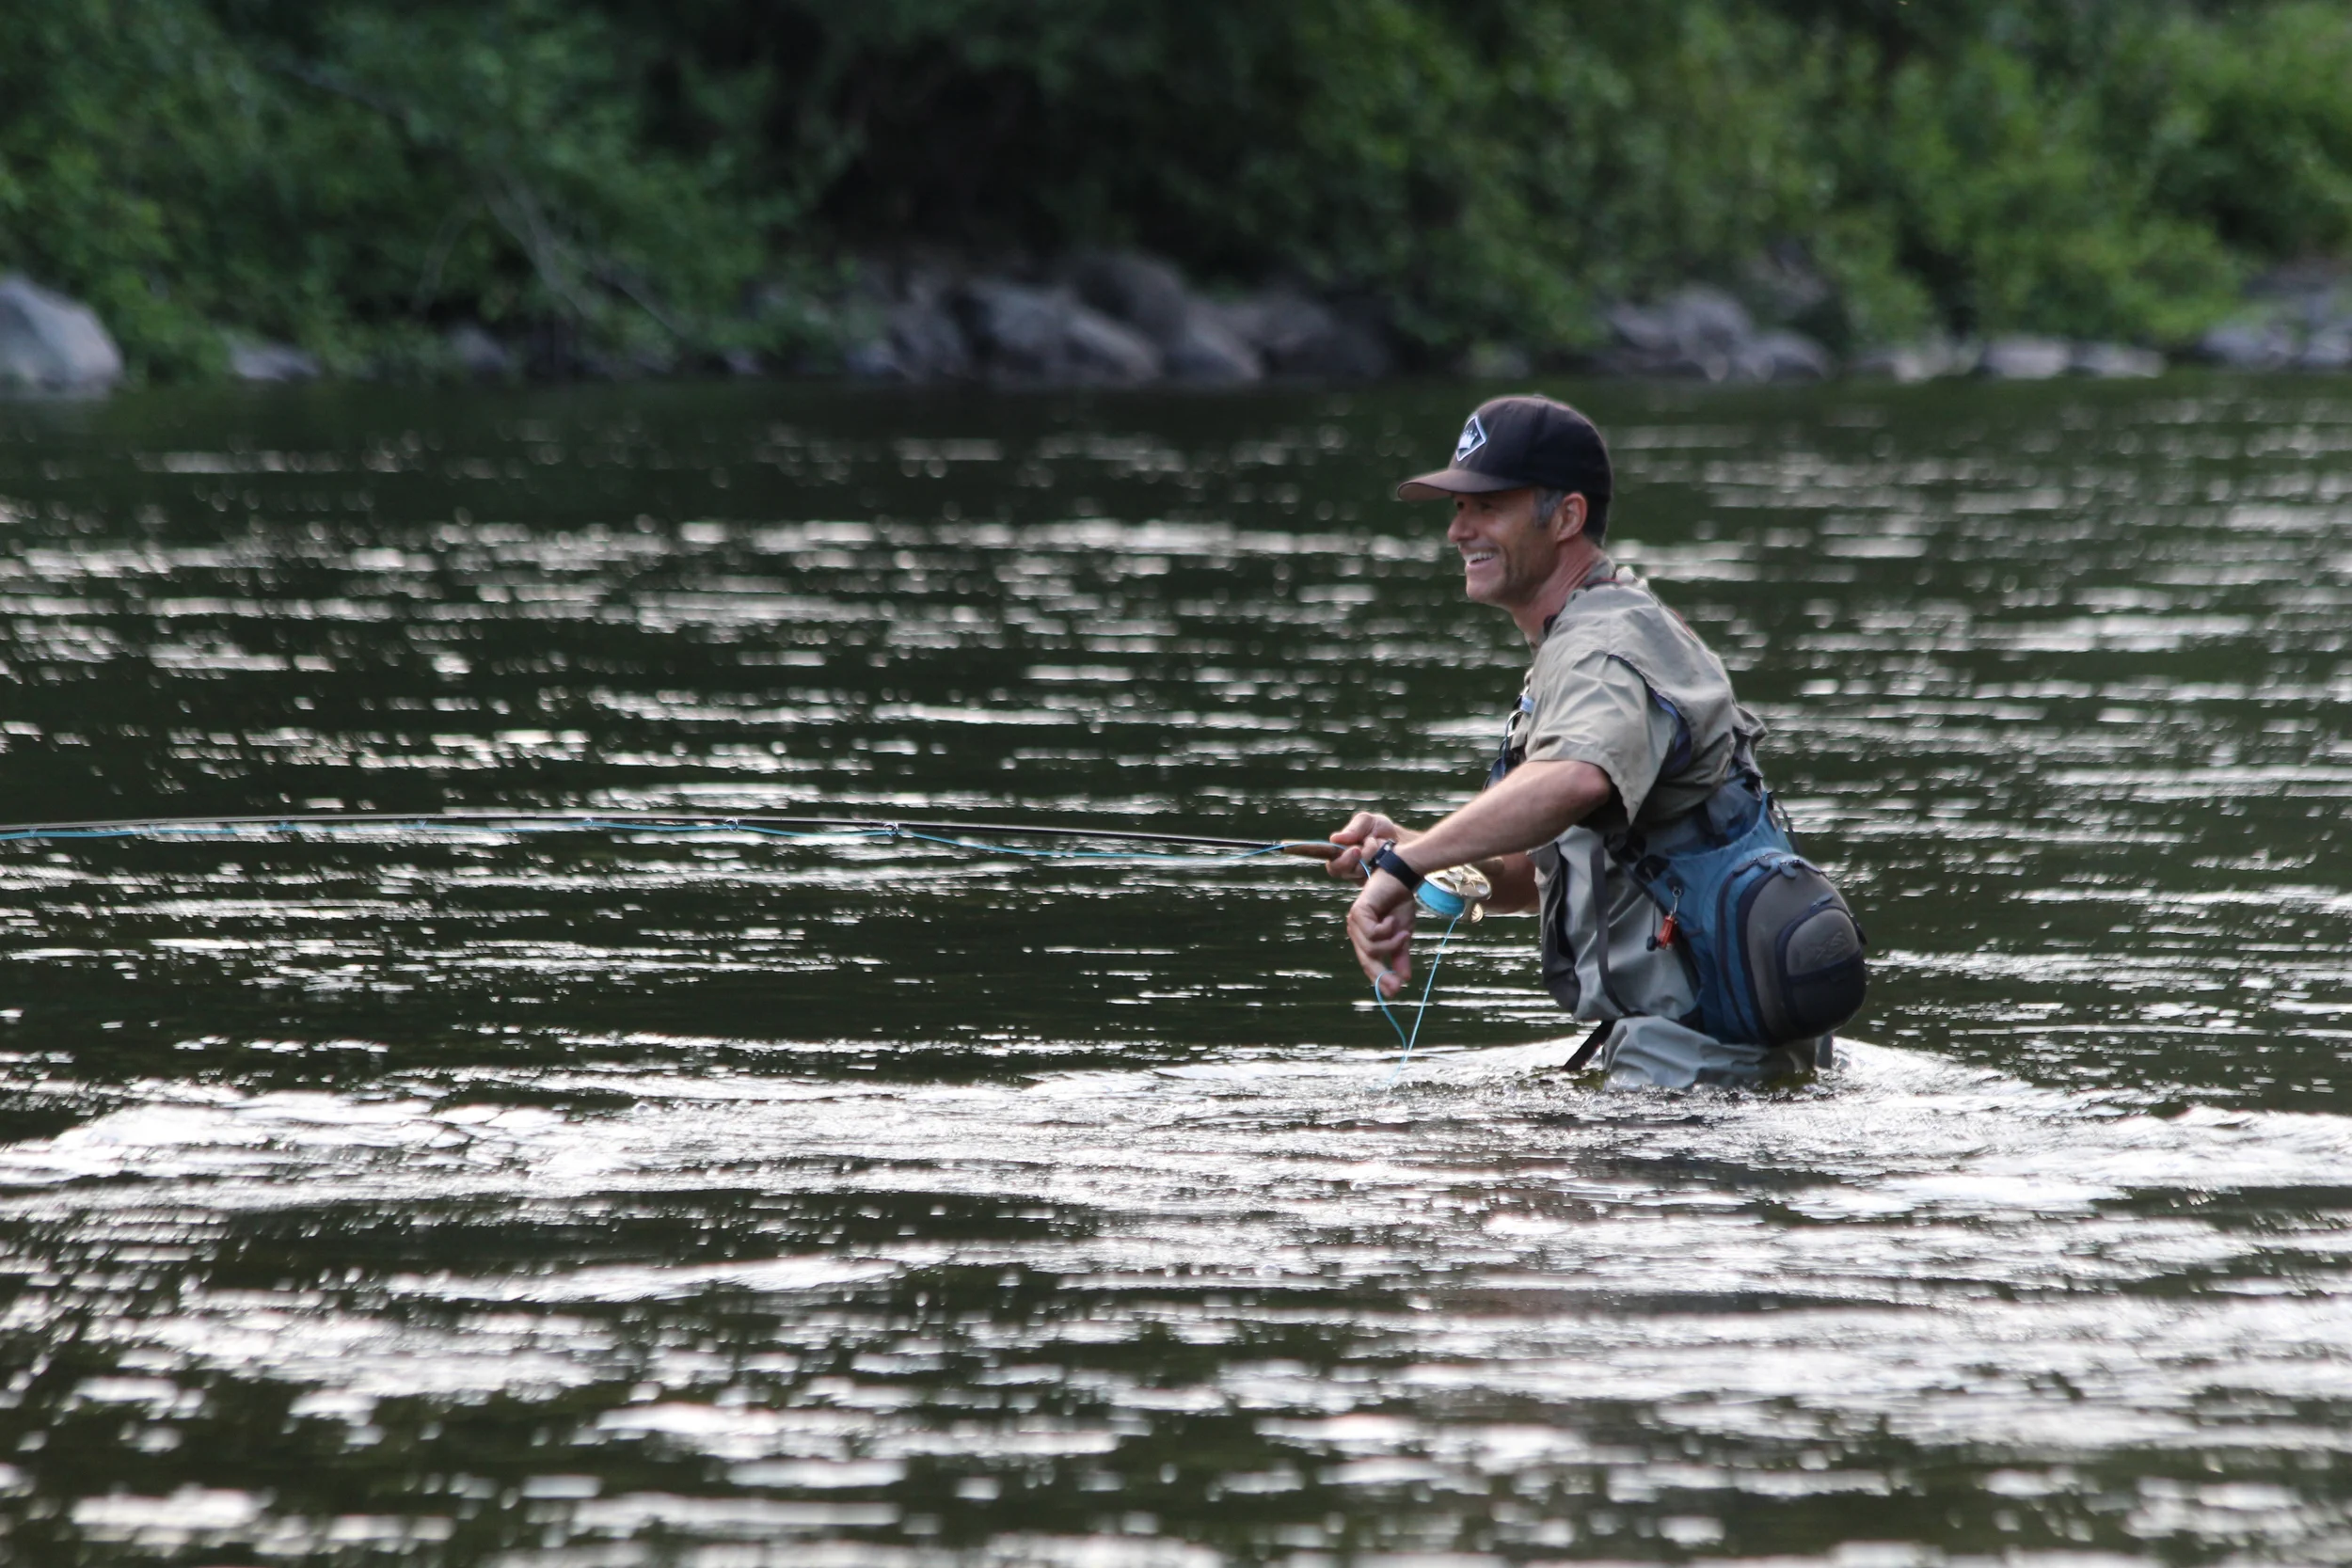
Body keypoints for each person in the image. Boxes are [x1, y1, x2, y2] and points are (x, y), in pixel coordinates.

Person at [1327, 394, 1847, 1087]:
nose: (1458, 530)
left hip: (1696, 1066)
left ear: (1568, 516)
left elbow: (1577, 779)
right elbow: (1541, 874)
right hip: (1699, 1055)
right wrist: (1416, 857)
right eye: (1456, 507)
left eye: (1487, 506)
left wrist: (1407, 865)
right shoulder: (1594, 629)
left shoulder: (1603, 644)